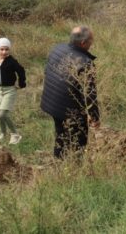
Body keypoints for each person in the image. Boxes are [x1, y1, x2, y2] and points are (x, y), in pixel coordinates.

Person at [40, 25, 100, 158]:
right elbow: (90, 94)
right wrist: (95, 117)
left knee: (61, 134)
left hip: (51, 102)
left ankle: (59, 161)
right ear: (83, 43)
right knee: (80, 139)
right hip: (68, 108)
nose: (92, 43)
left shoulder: (58, 48)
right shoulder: (85, 63)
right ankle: (75, 168)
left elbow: (48, 71)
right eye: (91, 41)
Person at [0, 37, 27, 144]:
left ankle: (16, 134)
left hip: (9, 90)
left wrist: (21, 83)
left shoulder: (12, 61)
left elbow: (21, 71)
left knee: (3, 114)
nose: (4, 52)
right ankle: (2, 134)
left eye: (6, 49)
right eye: (2, 49)